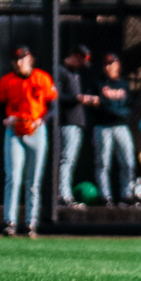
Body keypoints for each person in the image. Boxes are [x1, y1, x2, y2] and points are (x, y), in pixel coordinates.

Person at [0, 45, 57, 238]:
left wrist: (42, 120)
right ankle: (10, 222)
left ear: (30, 59)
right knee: (13, 178)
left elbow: (53, 106)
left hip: (36, 131)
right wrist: (5, 119)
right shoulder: (7, 80)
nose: (19, 62)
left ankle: (31, 223)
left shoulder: (42, 78)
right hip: (15, 131)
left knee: (33, 181)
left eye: (23, 58)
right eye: (17, 59)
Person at [88, 52, 135, 210]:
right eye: (107, 64)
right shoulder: (98, 84)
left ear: (118, 65)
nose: (109, 67)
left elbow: (129, 107)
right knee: (103, 163)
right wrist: (106, 107)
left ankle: (127, 194)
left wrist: (111, 108)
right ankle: (105, 196)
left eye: (112, 63)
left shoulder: (124, 85)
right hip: (103, 127)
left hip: (121, 126)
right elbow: (96, 105)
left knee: (128, 161)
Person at [52, 44, 92, 207]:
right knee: (66, 159)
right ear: (75, 56)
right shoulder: (60, 71)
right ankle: (63, 195)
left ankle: (65, 193)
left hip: (76, 123)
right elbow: (56, 96)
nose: (82, 66)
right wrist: (77, 98)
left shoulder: (75, 73)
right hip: (66, 122)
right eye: (81, 61)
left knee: (70, 160)